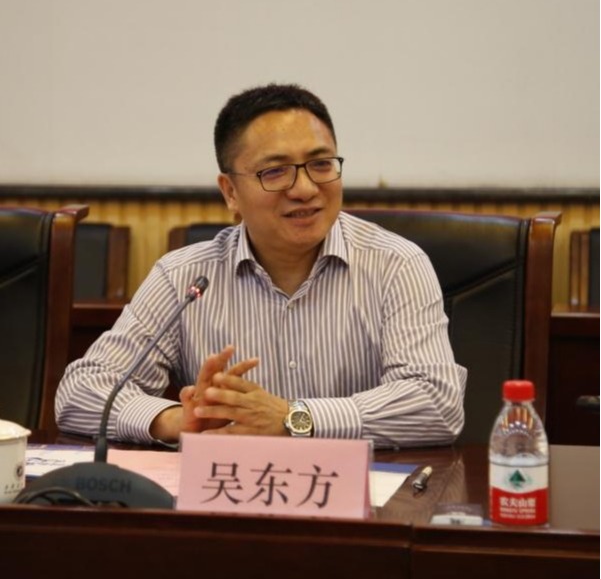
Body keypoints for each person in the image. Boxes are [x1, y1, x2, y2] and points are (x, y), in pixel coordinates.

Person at [56, 83, 467, 449]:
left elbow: (436, 403)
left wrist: (293, 419)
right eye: (275, 171)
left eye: (321, 165)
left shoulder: (396, 265)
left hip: (362, 499)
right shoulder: (183, 278)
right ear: (230, 192)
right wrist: (178, 421)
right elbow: (80, 391)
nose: (305, 189)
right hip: (229, 496)